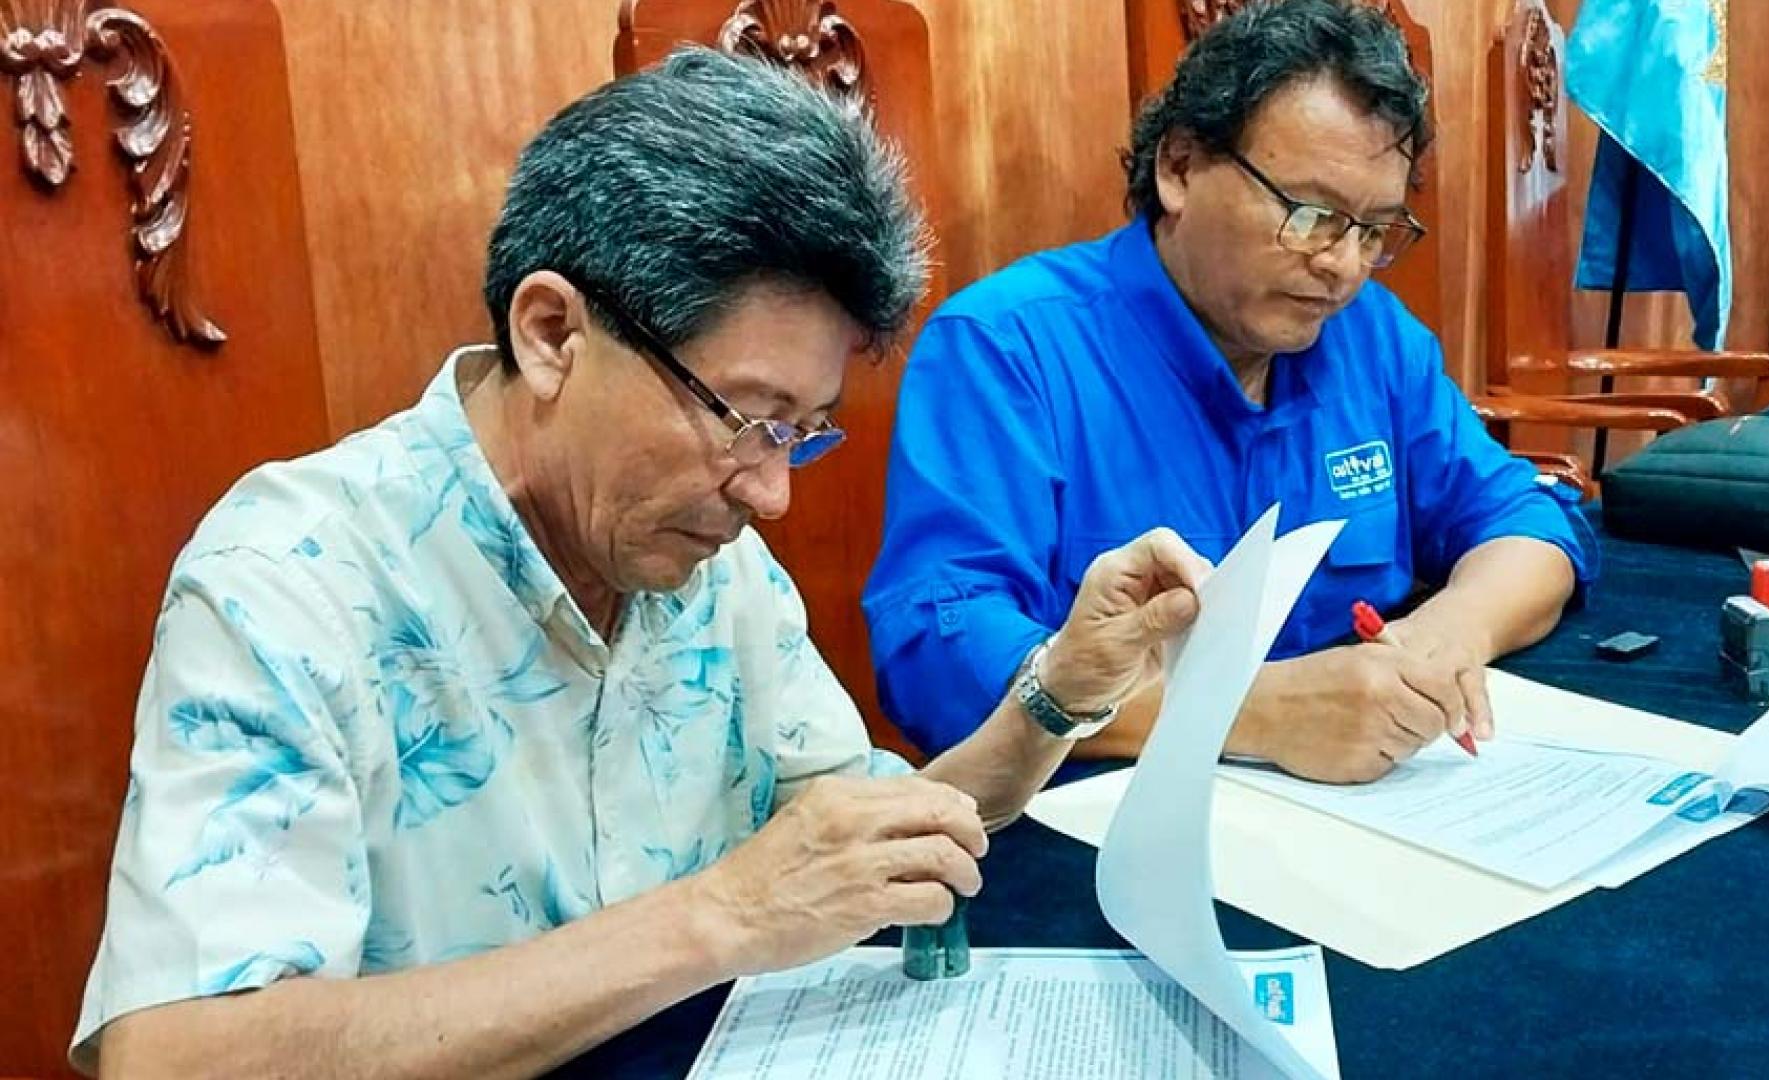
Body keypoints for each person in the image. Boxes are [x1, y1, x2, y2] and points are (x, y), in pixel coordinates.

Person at [73, 49, 1209, 1078]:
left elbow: (876, 839)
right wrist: (722, 916)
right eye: (746, 419)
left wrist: (1061, 691)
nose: (770, 492)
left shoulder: (709, 566)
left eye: (800, 433)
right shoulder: (293, 579)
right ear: (552, 334)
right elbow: (174, 1056)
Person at [862, 0, 1596, 785]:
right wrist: (1257, 712)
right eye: (1311, 216)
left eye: (1374, 230)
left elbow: (1528, 525)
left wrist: (1443, 640)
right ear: (1180, 168)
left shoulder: (1372, 337)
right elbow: (937, 661)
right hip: (1103, 825)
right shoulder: (1007, 349)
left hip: (1355, 806)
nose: (1342, 266)